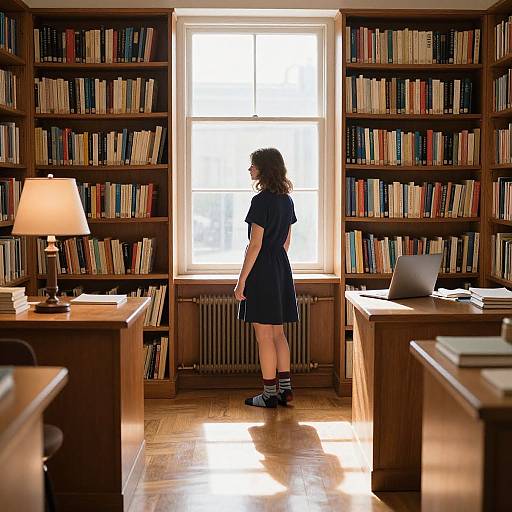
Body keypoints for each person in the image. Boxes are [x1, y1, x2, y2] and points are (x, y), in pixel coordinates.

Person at [234, 147, 298, 408]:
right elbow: (286, 243)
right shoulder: (287, 200)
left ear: (264, 169)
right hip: (281, 267)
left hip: (261, 270)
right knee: (278, 334)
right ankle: (285, 389)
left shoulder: (260, 201)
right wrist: (276, 266)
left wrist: (241, 281)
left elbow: (255, 245)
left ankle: (269, 394)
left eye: (253, 165)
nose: (250, 169)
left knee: (263, 336)